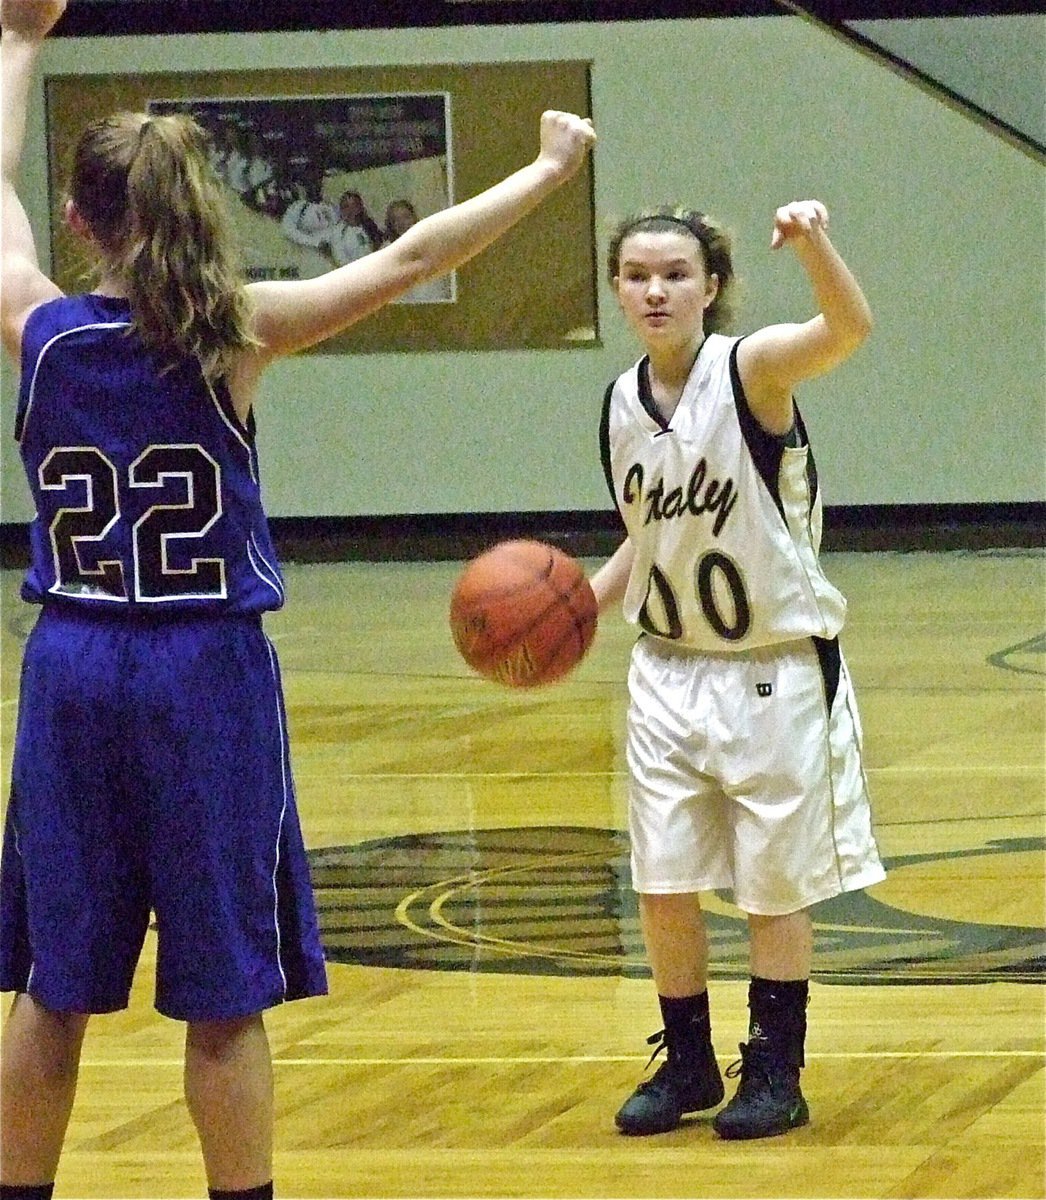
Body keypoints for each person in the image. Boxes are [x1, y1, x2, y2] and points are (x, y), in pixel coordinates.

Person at [0, 4, 596, 1198]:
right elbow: (415, 256)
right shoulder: (237, 333)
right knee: (223, 996)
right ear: (191, 210)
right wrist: (545, 167)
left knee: (50, 991)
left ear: (78, 221)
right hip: (200, 674)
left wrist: (17, 46)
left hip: (70, 666)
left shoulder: (37, 327)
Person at [590, 200, 885, 1141]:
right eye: (637, 274)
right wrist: (575, 608)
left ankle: (776, 1067)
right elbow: (650, 539)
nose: (655, 289)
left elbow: (849, 329)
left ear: (710, 287)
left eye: (675, 273)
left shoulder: (750, 368)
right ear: (618, 291)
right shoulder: (619, 403)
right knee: (662, 879)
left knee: (770, 886)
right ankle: (687, 1063)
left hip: (772, 669)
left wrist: (814, 244)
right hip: (667, 671)